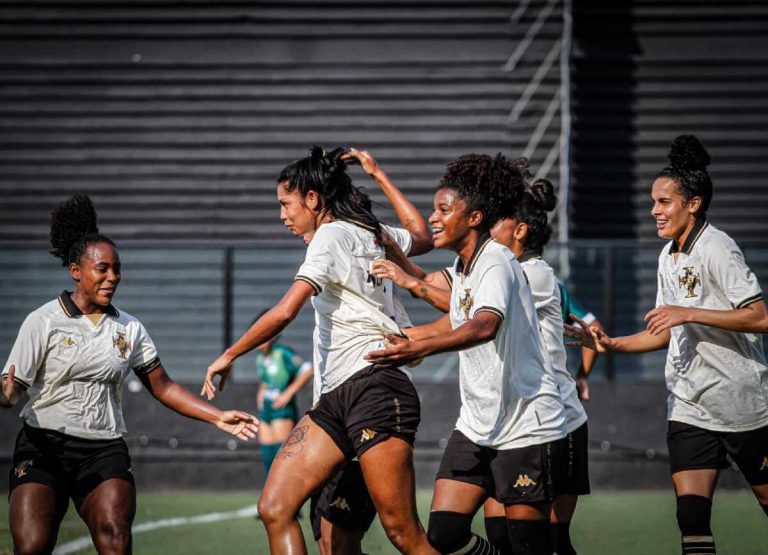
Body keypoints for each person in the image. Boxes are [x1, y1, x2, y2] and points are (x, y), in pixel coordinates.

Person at [202, 147, 437, 555]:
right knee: (275, 507)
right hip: (337, 397)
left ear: (313, 199)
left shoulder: (328, 236)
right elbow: (422, 236)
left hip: (374, 387)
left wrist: (229, 354)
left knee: (404, 534)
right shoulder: (372, 231)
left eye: (285, 204)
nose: (282, 215)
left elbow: (284, 311)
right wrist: (378, 173)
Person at [0, 194, 259, 555]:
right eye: (101, 269)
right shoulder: (42, 321)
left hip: (103, 450)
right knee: (31, 547)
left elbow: (163, 386)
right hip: (44, 449)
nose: (112, 277)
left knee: (115, 536)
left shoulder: (130, 328)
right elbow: (12, 390)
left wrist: (217, 417)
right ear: (76, 271)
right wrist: (7, 395)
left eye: (116, 269)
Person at [371, 160, 591, 554]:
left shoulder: (498, 262)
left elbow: (482, 325)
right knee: (443, 534)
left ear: (474, 217)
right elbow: (449, 310)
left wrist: (415, 345)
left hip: (526, 423)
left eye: (443, 210)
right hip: (477, 424)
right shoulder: (464, 265)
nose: (432, 219)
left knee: (530, 545)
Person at [565, 135, 768, 555]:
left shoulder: (718, 247)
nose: (654, 211)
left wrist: (689, 312)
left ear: (692, 204)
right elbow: (663, 331)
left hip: (743, 405)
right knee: (691, 519)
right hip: (689, 407)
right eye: (653, 201)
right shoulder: (667, 255)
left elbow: (760, 317)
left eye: (663, 202)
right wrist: (610, 344)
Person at [253, 311, 314, 476]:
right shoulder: (260, 357)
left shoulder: (282, 352)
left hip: (282, 410)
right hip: (266, 410)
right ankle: (270, 496)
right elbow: (266, 379)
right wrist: (261, 393)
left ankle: (287, 497)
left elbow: (308, 370)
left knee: (283, 458)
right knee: (268, 457)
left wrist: (288, 393)